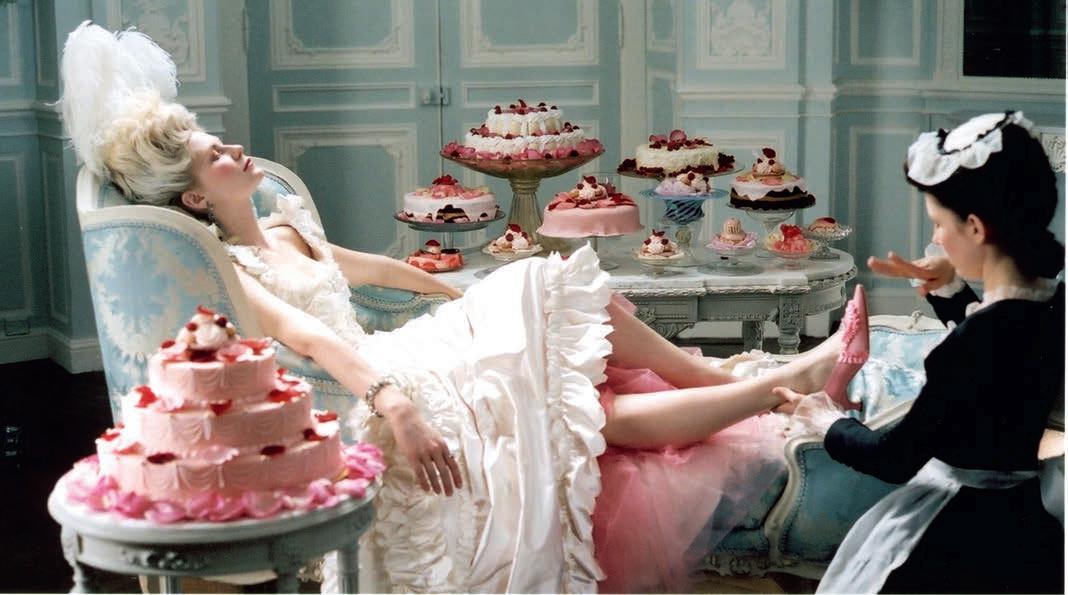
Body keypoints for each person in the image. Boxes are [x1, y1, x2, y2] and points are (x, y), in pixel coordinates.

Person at [59, 23, 855, 593]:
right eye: (217, 155)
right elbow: (310, 336)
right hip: (376, 386)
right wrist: (394, 402)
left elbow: (373, 268)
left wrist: (458, 292)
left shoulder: (283, 222)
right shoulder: (234, 267)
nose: (237, 151)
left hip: (415, 347)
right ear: (199, 197)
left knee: (551, 292)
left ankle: (739, 378)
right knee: (588, 413)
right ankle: (773, 385)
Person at [776, 111, 1065, 594]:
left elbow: (894, 458)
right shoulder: (1053, 305)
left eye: (938, 224)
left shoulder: (977, 341)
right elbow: (1001, 352)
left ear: (975, 228)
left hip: (962, 531)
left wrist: (825, 420)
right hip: (1021, 516)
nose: (935, 239)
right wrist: (951, 289)